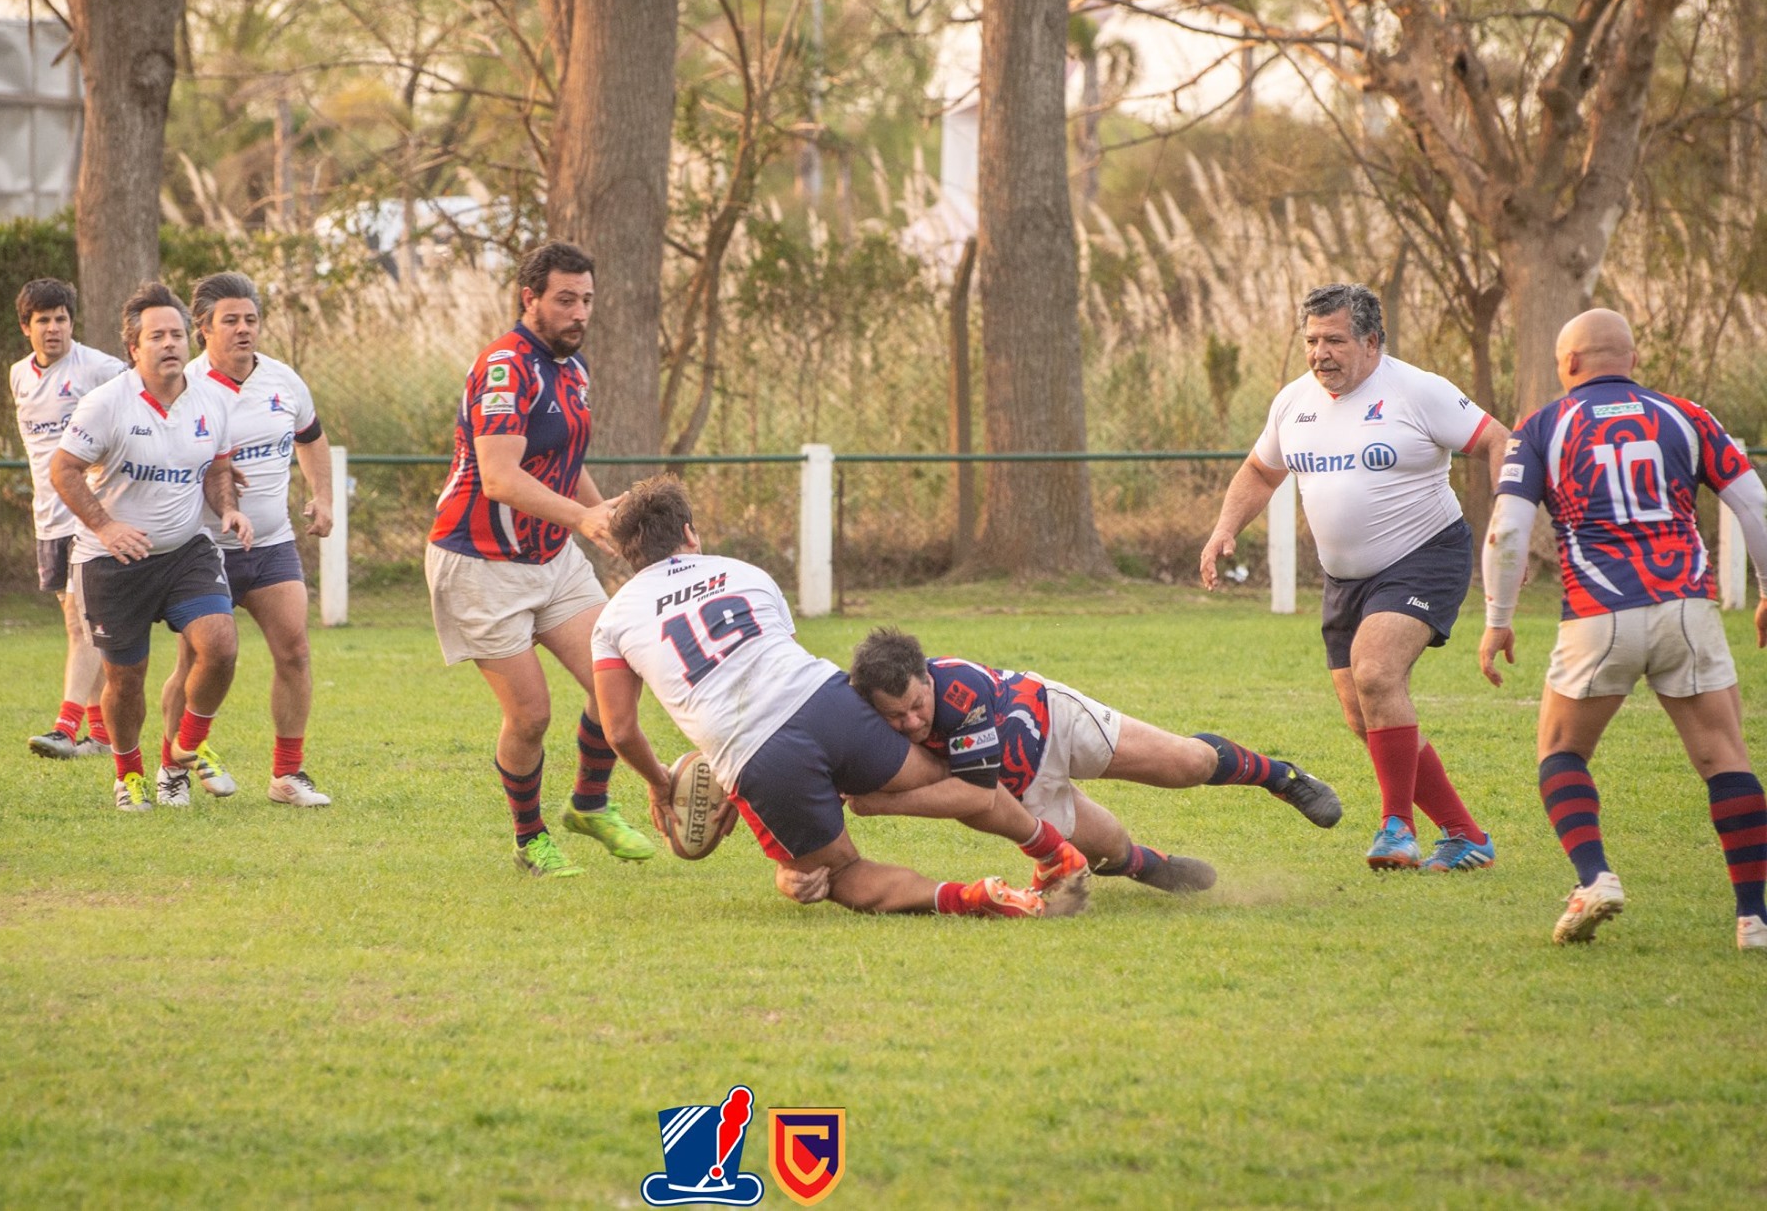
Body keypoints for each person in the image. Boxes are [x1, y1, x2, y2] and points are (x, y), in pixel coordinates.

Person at [591, 477, 1091, 919]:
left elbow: (620, 731)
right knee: (952, 780)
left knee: (837, 875)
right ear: (690, 533)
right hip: (825, 700)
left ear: (625, 554)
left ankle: (977, 897)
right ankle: (1052, 852)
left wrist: (660, 784)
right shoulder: (745, 572)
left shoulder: (614, 619)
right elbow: (765, 667)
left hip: (755, 756)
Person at [1478, 308, 1767, 950]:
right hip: (1686, 607)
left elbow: (1507, 533)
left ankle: (1594, 877)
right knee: (1725, 758)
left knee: (1561, 751)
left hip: (1597, 611)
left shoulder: (1543, 427)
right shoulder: (1688, 416)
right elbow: (1754, 506)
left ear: (1569, 364)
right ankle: (1753, 917)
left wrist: (1498, 619)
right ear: (1632, 360)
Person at [1201, 282, 1511, 872]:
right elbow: (1260, 473)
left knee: (1376, 672)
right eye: (1312, 340)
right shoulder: (1294, 402)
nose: (1321, 353)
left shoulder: (1417, 391)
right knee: (1361, 712)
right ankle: (1466, 834)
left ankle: (1397, 828)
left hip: (1425, 555)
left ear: (1371, 342)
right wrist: (1224, 529)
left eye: (1335, 340)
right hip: (1345, 579)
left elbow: (1497, 440)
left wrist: (1510, 520)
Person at [426, 241, 653, 877]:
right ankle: (530, 840)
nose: (579, 312)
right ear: (530, 299)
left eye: (587, 300)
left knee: (619, 671)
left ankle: (590, 802)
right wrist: (583, 519)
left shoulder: (574, 369)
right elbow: (499, 477)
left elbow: (562, 463)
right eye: (565, 300)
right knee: (530, 716)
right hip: (478, 562)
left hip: (552, 558)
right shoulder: (505, 367)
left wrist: (601, 514)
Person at [845, 629, 1343, 893]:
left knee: (1186, 764)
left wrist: (880, 804)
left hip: (1055, 721)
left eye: (917, 706)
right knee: (1110, 852)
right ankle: (1153, 869)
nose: (912, 722)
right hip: (1024, 787)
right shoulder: (862, 718)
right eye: (896, 716)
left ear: (926, 678)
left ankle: (1283, 777)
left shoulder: (958, 688)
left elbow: (974, 795)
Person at [48, 283, 250, 812]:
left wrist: (227, 507)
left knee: (221, 647)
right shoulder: (105, 404)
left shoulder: (211, 399)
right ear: (133, 348)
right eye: (156, 335)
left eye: (177, 334)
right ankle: (128, 774)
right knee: (125, 679)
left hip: (186, 550)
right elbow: (62, 470)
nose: (170, 344)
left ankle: (182, 749)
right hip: (113, 561)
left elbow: (218, 467)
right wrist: (106, 526)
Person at [153, 272, 334, 808]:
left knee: (296, 651)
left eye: (250, 319)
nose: (243, 330)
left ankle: (287, 776)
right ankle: (171, 768)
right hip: (201, 549)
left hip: (272, 543)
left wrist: (322, 496)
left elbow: (312, 437)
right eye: (229, 321)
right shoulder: (184, 386)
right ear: (202, 328)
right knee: (195, 664)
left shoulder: (283, 381)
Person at [7, 278, 127, 760]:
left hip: (88, 518)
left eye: (61, 319)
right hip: (48, 520)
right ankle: (99, 735)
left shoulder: (100, 368)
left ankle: (65, 727)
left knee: (83, 626)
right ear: (26, 328)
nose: (53, 328)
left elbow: (141, 399)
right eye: (43, 320)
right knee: (79, 626)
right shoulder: (18, 375)